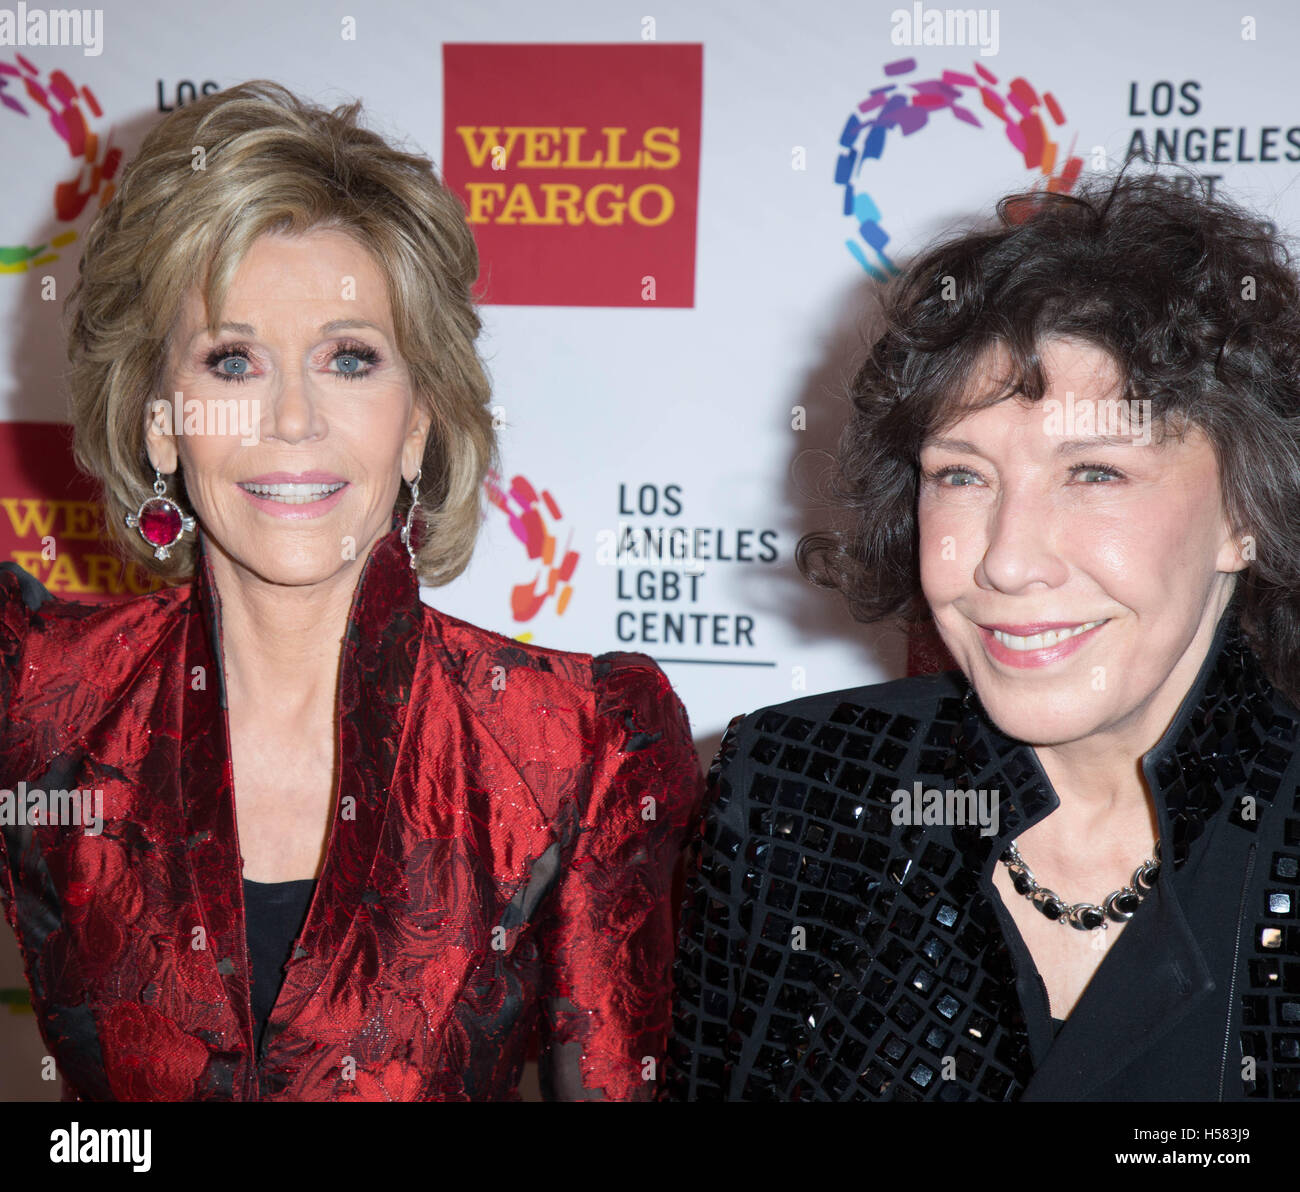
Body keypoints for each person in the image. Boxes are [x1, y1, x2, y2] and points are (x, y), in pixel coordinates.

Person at [0, 80, 702, 1101]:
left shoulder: (574, 744)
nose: (292, 418)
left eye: (348, 359)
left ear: (417, 418)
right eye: (233, 361)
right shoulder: (38, 692)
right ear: (162, 420)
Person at [665, 168, 1300, 1101]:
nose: (1006, 561)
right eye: (960, 476)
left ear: (1249, 512)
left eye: (1094, 474)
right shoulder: (793, 787)